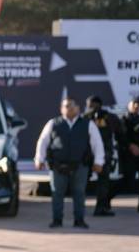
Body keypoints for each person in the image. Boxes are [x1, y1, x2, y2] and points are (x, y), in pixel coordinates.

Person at [34, 97, 104, 228]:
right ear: (61, 109)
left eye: (72, 106)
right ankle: (57, 220)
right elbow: (42, 142)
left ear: (77, 108)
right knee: (57, 193)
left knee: (79, 193)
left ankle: (79, 220)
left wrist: (99, 161)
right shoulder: (53, 123)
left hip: (80, 165)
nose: (69, 109)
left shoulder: (87, 124)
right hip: (57, 166)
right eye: (66, 106)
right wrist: (39, 159)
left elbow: (97, 144)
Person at [83, 95, 123, 216]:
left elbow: (120, 133)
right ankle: (82, 208)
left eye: (91, 105)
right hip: (88, 154)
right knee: (83, 181)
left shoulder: (110, 117)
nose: (89, 108)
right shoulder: (85, 118)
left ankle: (101, 207)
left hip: (103, 154)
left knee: (103, 182)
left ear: (97, 104)